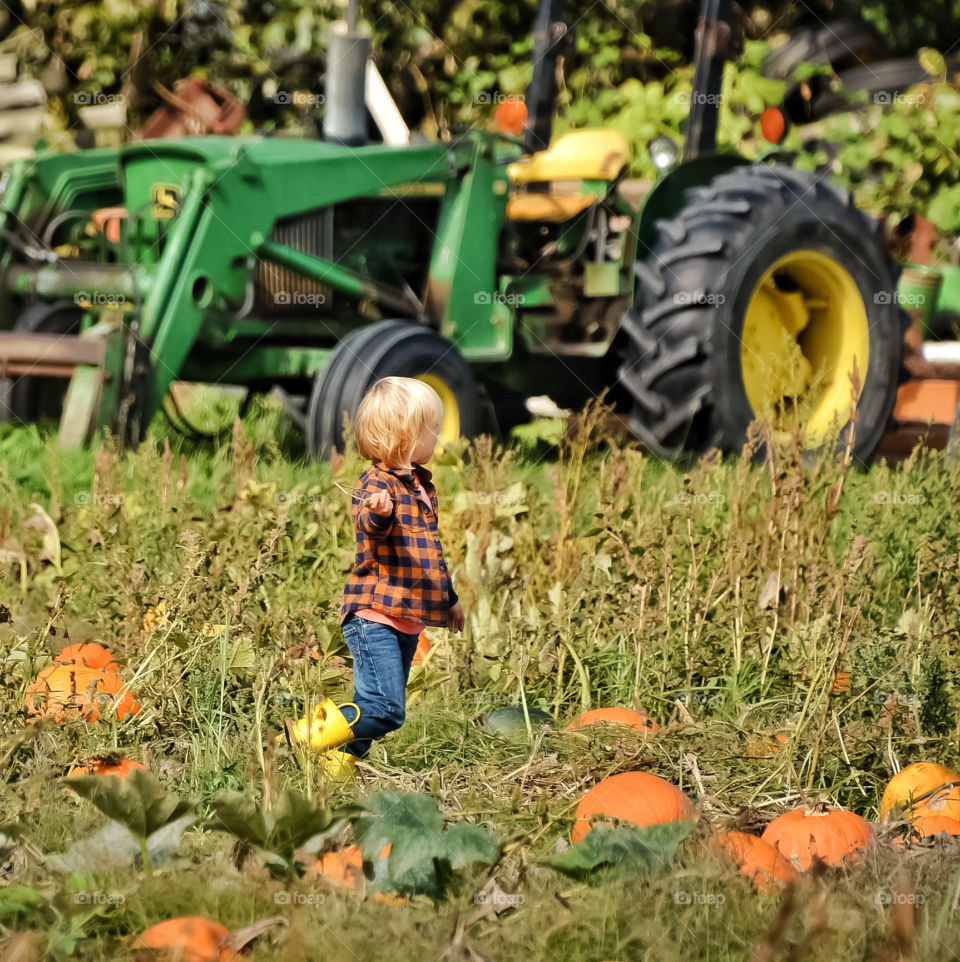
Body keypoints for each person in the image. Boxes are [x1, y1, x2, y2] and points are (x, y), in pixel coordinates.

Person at [288, 376, 464, 778]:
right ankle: (304, 735)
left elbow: (429, 554)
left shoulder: (420, 484)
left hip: (405, 617)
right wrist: (379, 513)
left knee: (378, 708)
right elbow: (369, 527)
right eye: (431, 428)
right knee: (386, 709)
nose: (438, 435)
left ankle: (333, 771)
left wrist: (449, 599)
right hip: (375, 616)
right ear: (403, 437)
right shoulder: (376, 485)